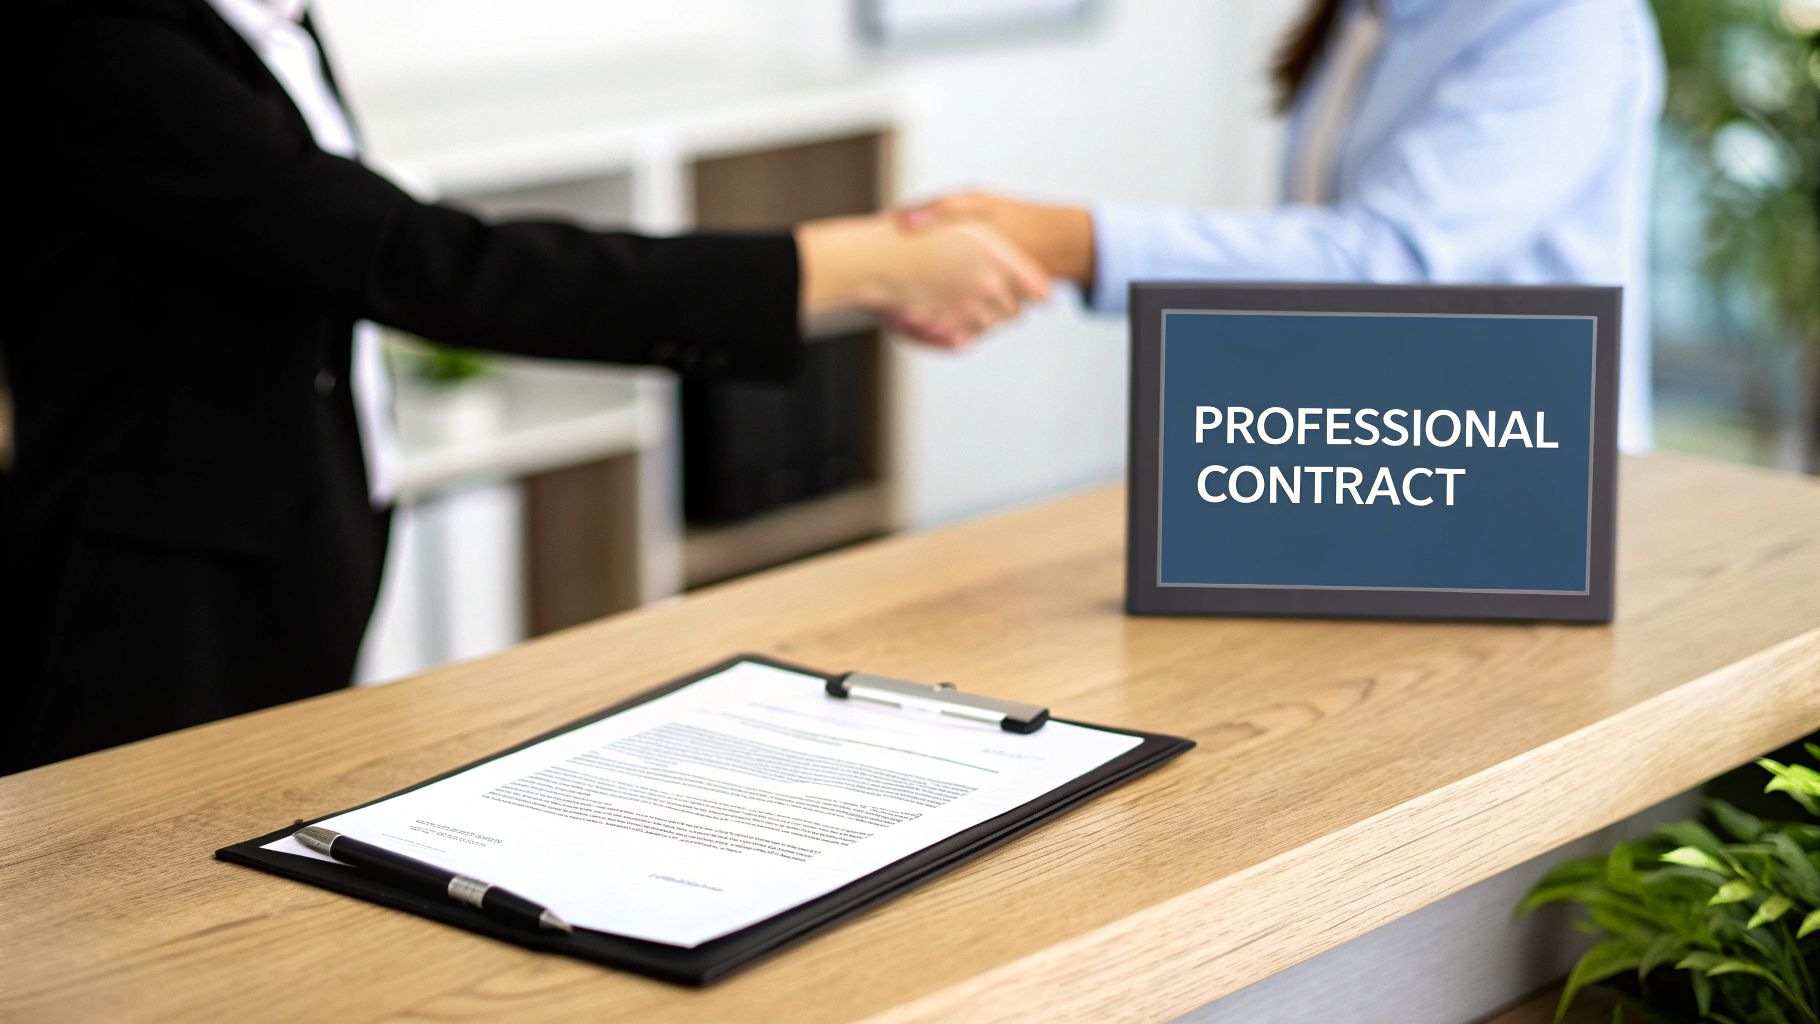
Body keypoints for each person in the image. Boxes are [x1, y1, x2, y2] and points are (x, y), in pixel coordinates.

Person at [3, 0, 1048, 773]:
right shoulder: (99, 37)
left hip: (298, 533)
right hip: (153, 576)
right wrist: (852, 263)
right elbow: (423, 262)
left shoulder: (273, 25)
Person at [903, 0, 1663, 452]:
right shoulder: (1374, 16)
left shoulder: (1565, 23)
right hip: (1375, 462)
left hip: (1520, 479)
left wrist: (1072, 242)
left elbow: (1387, 265)